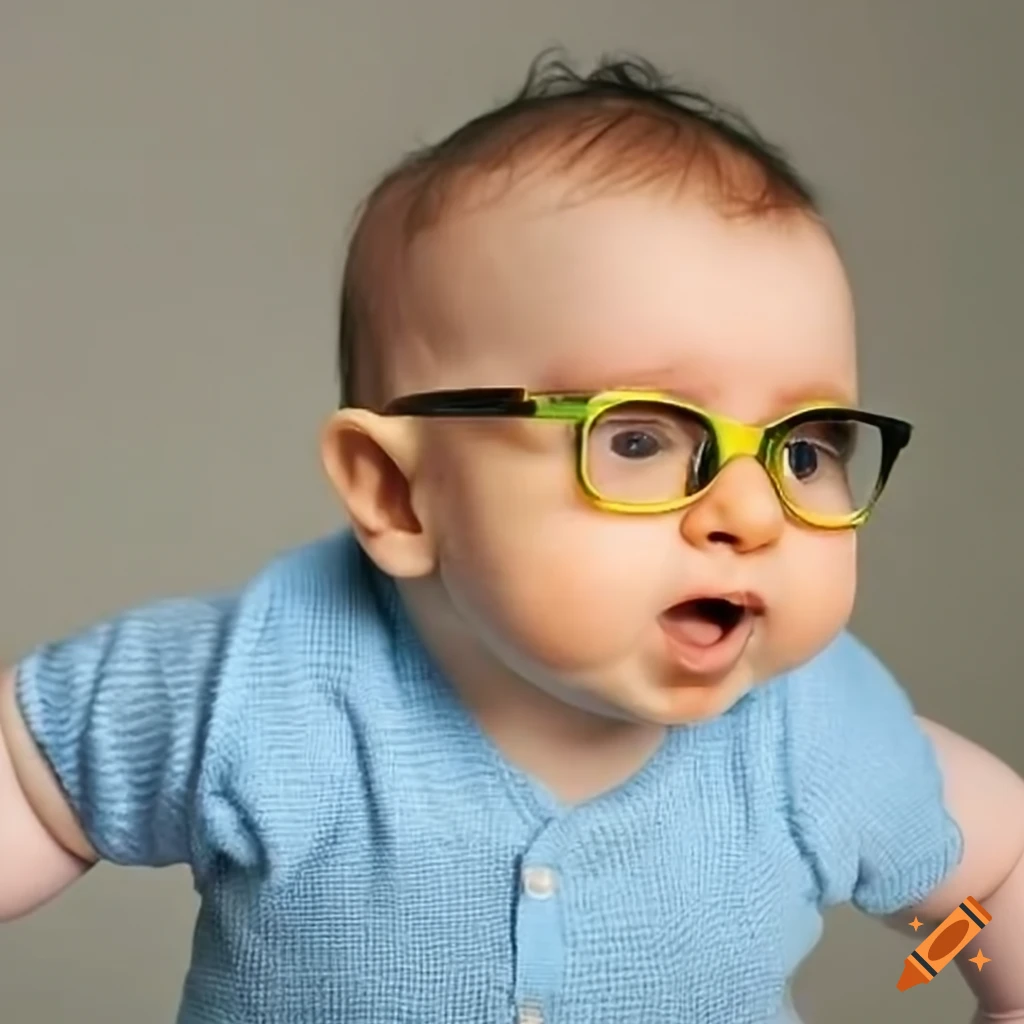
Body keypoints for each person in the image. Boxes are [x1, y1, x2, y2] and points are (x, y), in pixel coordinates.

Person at [1, 52, 1022, 1024]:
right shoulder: (253, 690)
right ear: (400, 492)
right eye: (638, 437)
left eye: (802, 451)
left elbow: (993, 875)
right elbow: (33, 784)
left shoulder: (816, 736)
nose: (751, 512)